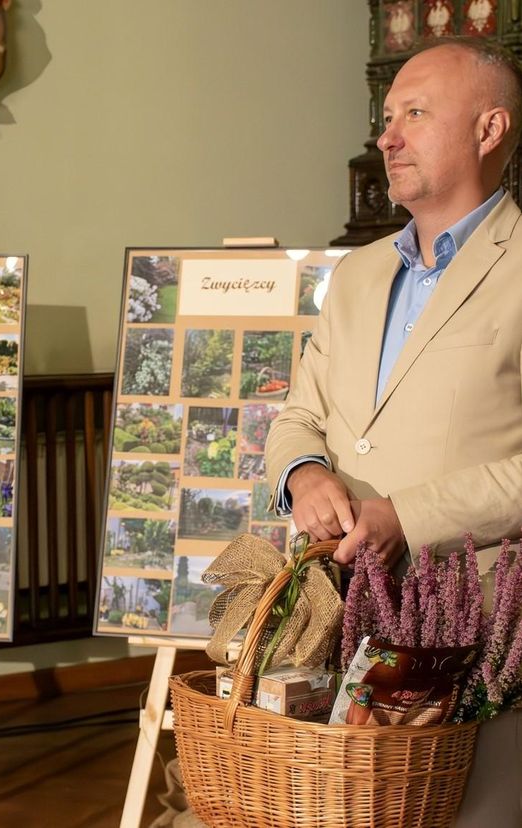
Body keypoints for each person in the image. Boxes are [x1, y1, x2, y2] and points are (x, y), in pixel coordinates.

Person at [265, 37, 522, 826]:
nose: (388, 136)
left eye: (415, 113)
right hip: (336, 615)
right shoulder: (358, 272)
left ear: (489, 130)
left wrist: (408, 517)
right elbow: (300, 411)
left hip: (478, 628)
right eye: (386, 117)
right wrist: (305, 473)